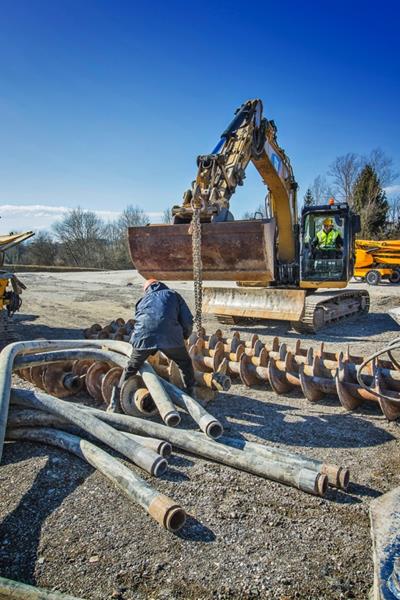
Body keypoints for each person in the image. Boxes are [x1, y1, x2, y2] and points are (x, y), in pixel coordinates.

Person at [113, 279, 195, 405]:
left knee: (131, 367)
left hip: (144, 338)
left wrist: (137, 343)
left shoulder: (142, 300)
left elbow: (140, 321)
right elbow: (187, 320)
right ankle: (190, 394)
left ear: (147, 289)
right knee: (185, 363)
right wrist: (184, 335)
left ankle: (117, 399)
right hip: (170, 337)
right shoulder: (173, 295)